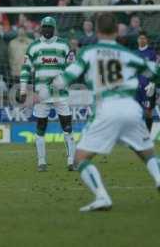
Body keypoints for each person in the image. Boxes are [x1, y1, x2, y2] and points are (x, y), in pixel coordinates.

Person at [43, 13, 160, 211]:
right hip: (131, 108)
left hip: (107, 107)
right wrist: (153, 86)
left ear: (97, 32)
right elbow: (155, 72)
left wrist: (44, 90)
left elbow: (66, 78)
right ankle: (158, 179)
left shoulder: (89, 52)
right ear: (116, 31)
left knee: (80, 158)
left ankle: (102, 196)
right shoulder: (127, 53)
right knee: (147, 153)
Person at [20, 16, 76, 172]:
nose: (47, 30)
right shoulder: (33, 47)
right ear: (41, 28)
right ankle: (41, 161)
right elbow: (25, 69)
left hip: (61, 94)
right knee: (40, 126)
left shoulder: (64, 45)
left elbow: (72, 69)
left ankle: (71, 160)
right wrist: (23, 89)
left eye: (49, 27)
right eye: (44, 27)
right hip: (41, 95)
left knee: (67, 126)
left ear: (54, 28)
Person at [136, 31, 157, 132]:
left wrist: (152, 84)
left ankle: (148, 135)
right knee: (135, 111)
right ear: (137, 40)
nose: (142, 40)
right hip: (137, 87)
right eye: (140, 38)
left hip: (149, 86)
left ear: (147, 40)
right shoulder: (134, 53)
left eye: (144, 38)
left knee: (148, 111)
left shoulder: (151, 53)